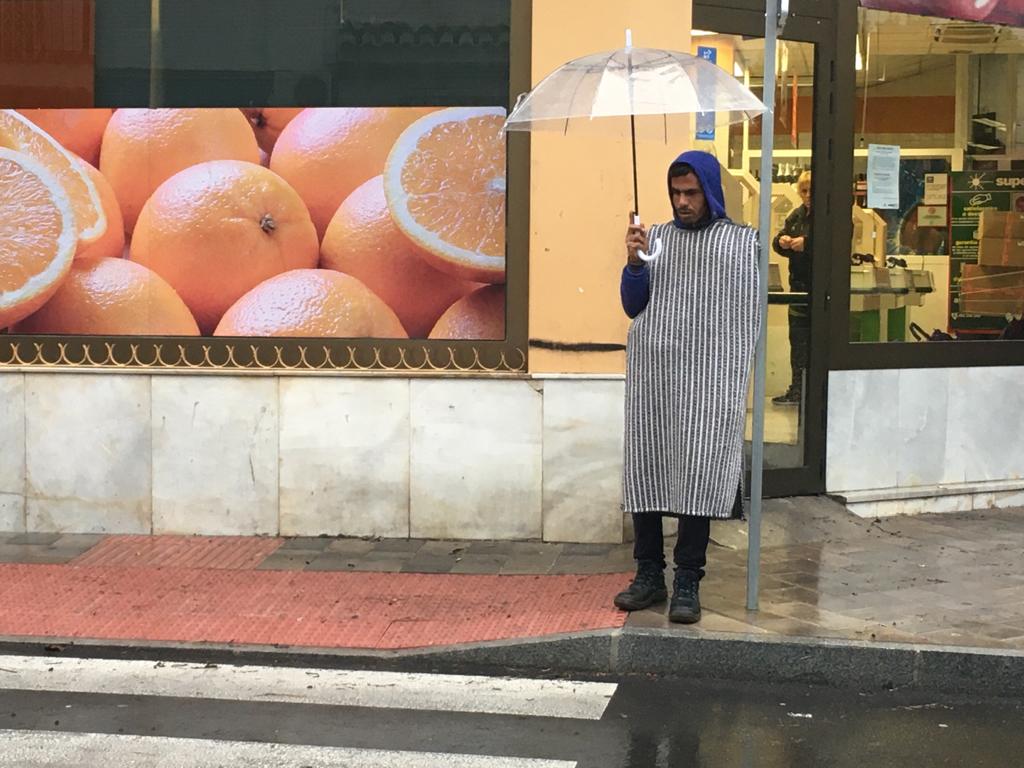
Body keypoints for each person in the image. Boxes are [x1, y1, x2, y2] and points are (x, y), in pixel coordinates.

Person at [614, 150, 761, 624]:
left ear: (710, 191)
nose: (682, 202)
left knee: (696, 470)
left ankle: (688, 580)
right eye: (676, 193)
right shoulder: (653, 239)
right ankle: (649, 574)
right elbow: (633, 306)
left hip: (707, 377)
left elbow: (747, 310)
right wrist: (635, 262)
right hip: (655, 373)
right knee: (650, 463)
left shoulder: (739, 243)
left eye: (691, 193)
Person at [771, 170, 812, 406]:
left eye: (810, 190)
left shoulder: (829, 216)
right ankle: (797, 389)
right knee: (797, 344)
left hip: (819, 292)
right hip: (797, 289)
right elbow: (778, 242)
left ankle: (813, 391)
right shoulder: (796, 216)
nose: (806, 195)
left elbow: (834, 242)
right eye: (803, 190)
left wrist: (807, 244)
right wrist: (783, 242)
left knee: (816, 344)